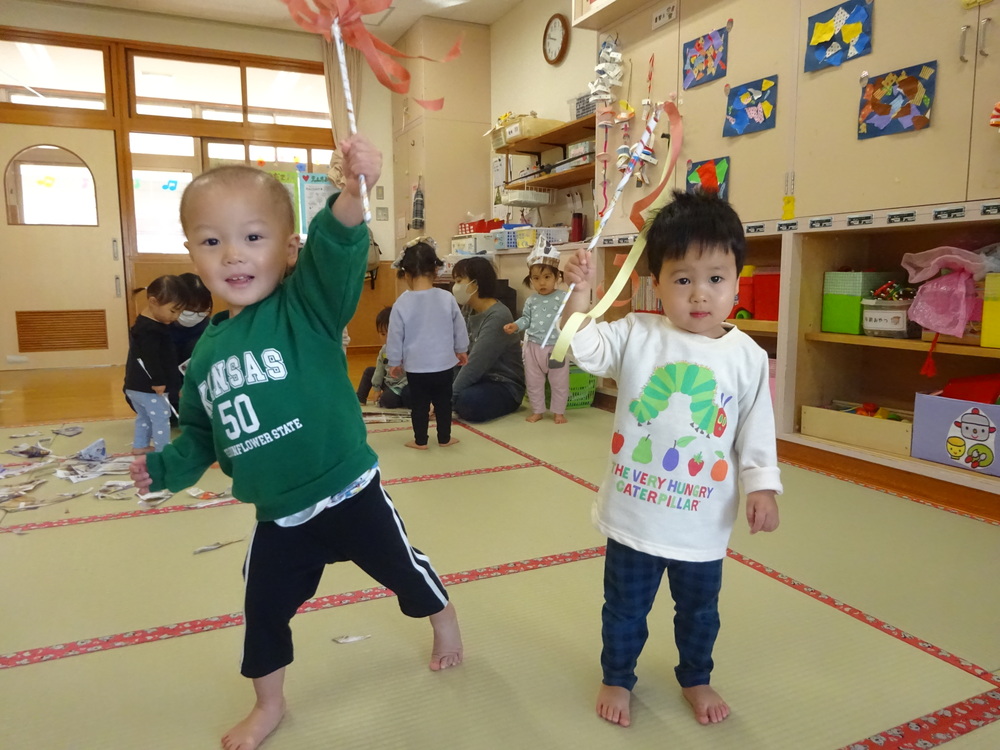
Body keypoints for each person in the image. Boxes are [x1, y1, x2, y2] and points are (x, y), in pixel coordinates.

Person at [128, 136, 463, 750]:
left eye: (252, 237)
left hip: (351, 492)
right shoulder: (204, 357)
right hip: (279, 517)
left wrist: (355, 190)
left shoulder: (307, 305)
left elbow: (336, 247)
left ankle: (442, 618)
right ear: (191, 256)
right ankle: (269, 704)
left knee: (403, 571)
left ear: (286, 249)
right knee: (262, 613)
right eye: (212, 241)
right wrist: (165, 469)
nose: (233, 253)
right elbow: (200, 435)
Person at [560, 190, 782, 729]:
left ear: (736, 279)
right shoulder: (638, 332)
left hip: (702, 524)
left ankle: (696, 677)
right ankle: (617, 675)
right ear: (654, 282)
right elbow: (582, 348)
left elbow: (757, 430)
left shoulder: (747, 356)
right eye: (682, 279)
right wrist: (580, 293)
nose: (699, 294)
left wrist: (762, 486)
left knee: (700, 613)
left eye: (715, 277)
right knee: (624, 611)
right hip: (635, 519)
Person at [387, 237, 469, 449]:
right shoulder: (447, 298)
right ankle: (444, 438)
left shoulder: (401, 303)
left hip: (417, 367)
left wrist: (394, 361)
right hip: (444, 364)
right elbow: (459, 327)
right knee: (444, 402)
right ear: (435, 271)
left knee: (419, 405)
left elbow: (395, 336)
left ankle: (420, 440)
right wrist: (461, 350)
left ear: (405, 274)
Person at [503, 238, 570, 424]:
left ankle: (558, 412)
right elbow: (526, 319)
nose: (542, 282)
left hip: (556, 347)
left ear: (557, 277)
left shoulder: (563, 298)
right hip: (533, 347)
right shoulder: (532, 300)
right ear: (531, 279)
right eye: (536, 278)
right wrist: (516, 325)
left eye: (547, 277)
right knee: (533, 382)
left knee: (559, 381)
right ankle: (538, 410)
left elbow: (571, 318)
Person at [451, 256, 526, 422]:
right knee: (421, 388)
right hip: (477, 380)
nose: (455, 287)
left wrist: (445, 399)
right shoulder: (468, 309)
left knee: (468, 402)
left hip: (502, 385)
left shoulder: (498, 316)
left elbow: (476, 363)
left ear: (475, 284)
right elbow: (458, 352)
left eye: (459, 280)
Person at [123, 275, 189, 454]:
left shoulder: (145, 324)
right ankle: (163, 450)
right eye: (173, 311)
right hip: (149, 388)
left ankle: (140, 446)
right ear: (153, 302)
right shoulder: (150, 331)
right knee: (161, 418)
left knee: (144, 417)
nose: (176, 317)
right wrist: (159, 381)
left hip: (136, 386)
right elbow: (150, 358)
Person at [356, 305, 411, 409]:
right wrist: (376, 388)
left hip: (401, 386)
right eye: (382, 334)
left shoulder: (407, 349)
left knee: (387, 401)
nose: (387, 338)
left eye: (390, 334)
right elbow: (379, 370)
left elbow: (410, 376)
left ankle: (394, 398)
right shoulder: (384, 350)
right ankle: (360, 399)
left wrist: (396, 389)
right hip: (387, 382)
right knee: (369, 371)